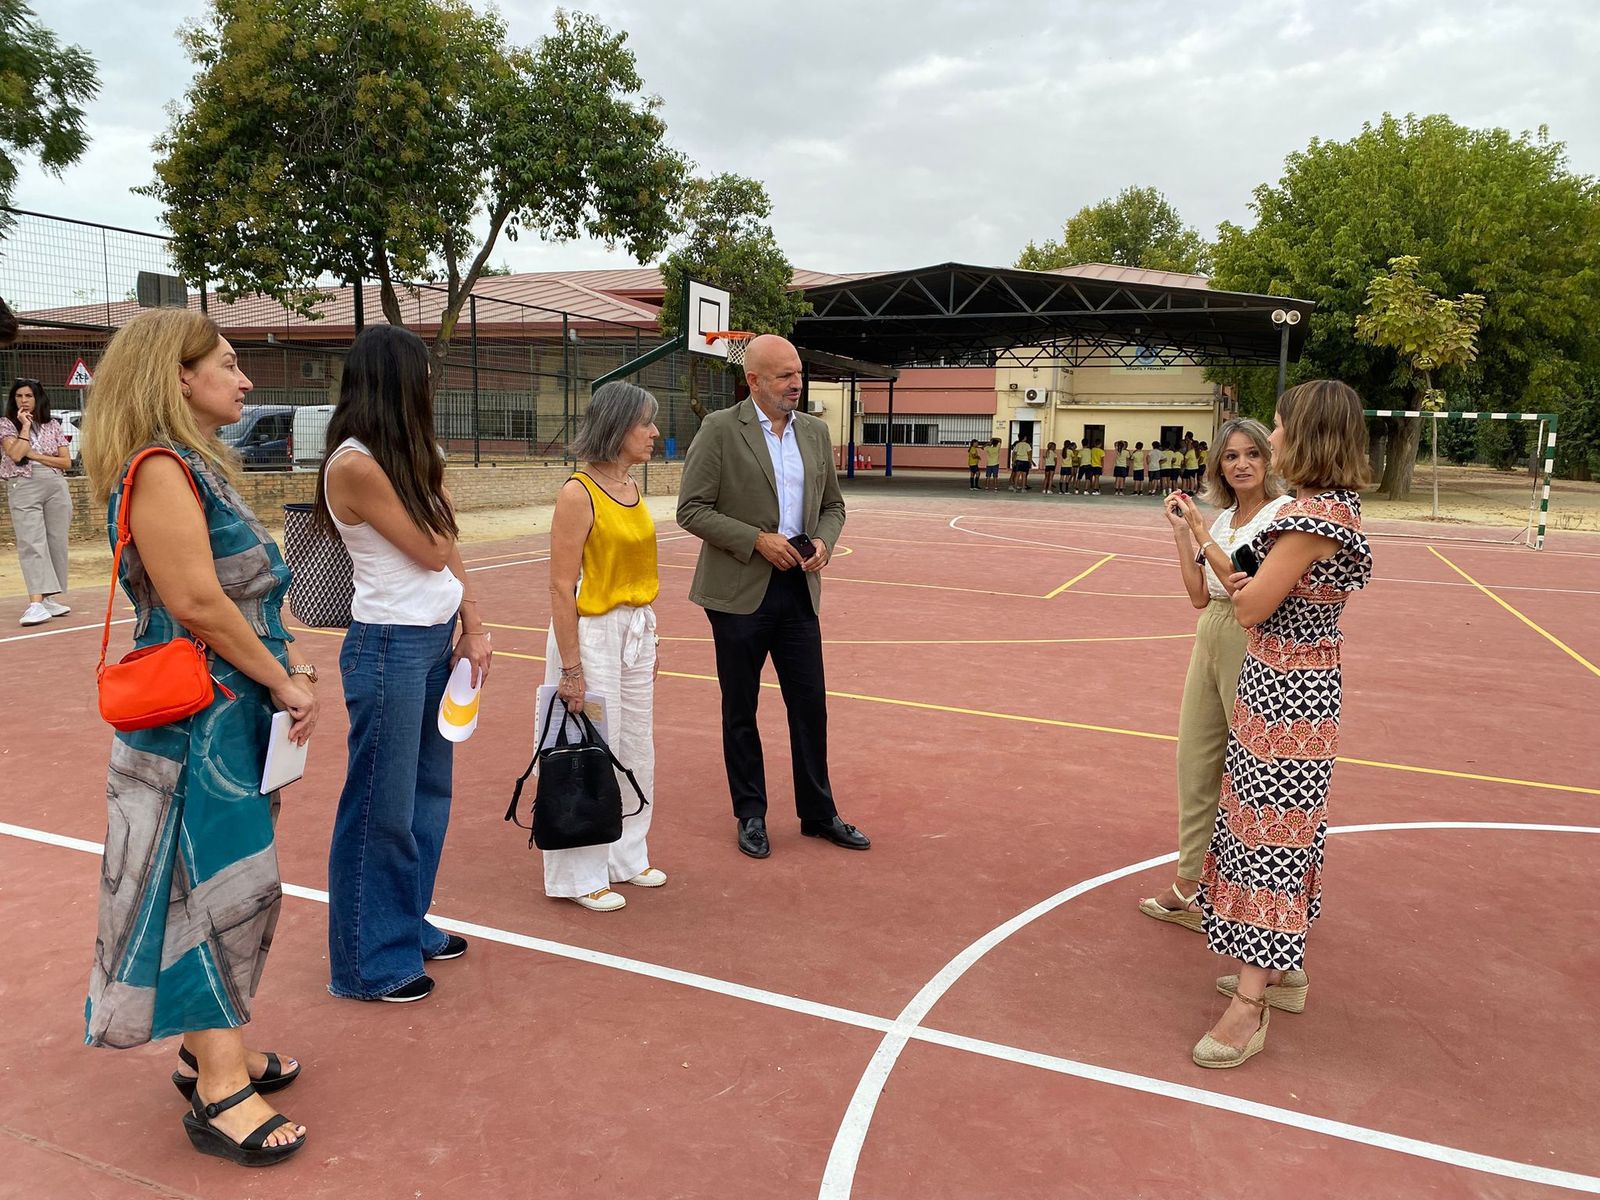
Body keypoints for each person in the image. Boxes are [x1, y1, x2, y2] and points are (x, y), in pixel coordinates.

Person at [81, 309, 317, 1165]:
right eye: (226, 363)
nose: (244, 379)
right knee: (204, 890)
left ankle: (206, 1046)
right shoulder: (159, 470)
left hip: (227, 714)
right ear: (178, 376)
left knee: (233, 880)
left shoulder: (191, 468)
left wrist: (286, 673)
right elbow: (198, 603)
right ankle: (221, 1088)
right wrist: (283, 678)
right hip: (194, 724)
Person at [1176, 381, 1373, 1069]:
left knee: (1268, 840)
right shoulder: (1331, 509)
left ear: (1310, 434)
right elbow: (1238, 585)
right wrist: (1204, 539)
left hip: (1289, 693)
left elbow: (1252, 604)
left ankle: (1249, 1006)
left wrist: (1231, 572)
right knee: (1283, 832)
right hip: (1289, 684)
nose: (1275, 438)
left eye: (1283, 427)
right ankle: (1284, 973)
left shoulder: (1314, 519)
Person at [317, 325, 492, 1004]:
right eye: (421, 375)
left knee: (427, 799)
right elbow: (433, 544)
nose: (430, 386)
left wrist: (473, 623)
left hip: (428, 639)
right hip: (387, 645)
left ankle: (405, 923)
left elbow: (448, 555)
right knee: (379, 810)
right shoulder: (358, 463)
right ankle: (367, 963)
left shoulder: (402, 460)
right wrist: (432, 476)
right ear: (396, 383)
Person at [677, 334, 869, 859]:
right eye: (785, 375)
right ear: (754, 381)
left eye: (799, 373)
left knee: (810, 706)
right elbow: (691, 509)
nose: (796, 383)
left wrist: (826, 542)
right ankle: (751, 813)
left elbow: (833, 505)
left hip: (798, 589)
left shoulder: (814, 431)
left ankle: (818, 813)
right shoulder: (719, 429)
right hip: (739, 591)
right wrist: (755, 540)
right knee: (740, 709)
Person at [1138, 418, 1289, 936]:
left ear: (1269, 460)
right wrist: (1184, 534)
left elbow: (1241, 586)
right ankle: (1190, 884)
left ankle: (1240, 898)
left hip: (1251, 636)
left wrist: (1201, 533)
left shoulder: (1278, 517)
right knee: (1196, 760)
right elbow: (1201, 594)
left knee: (1246, 773)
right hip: (1212, 631)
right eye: (1231, 456)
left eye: (1252, 454)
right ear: (1218, 466)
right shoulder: (1224, 518)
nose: (1242, 464)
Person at [543, 381, 664, 911]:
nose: (656, 432)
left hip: (635, 630)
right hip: (590, 632)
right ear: (617, 428)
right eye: (646, 423)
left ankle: (626, 854)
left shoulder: (634, 488)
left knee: (636, 745)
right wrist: (572, 668)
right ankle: (578, 873)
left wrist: (650, 642)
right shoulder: (578, 493)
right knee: (582, 748)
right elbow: (559, 585)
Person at [2, 378, 74, 626]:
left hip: (55, 484)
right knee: (31, 541)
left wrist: (33, 454)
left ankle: (48, 599)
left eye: (28, 396)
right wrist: (23, 428)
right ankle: (35, 603)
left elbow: (67, 463)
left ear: (38, 399)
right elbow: (14, 454)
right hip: (23, 484)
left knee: (56, 541)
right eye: (19, 396)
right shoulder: (6, 425)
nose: (23, 401)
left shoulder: (53, 424)